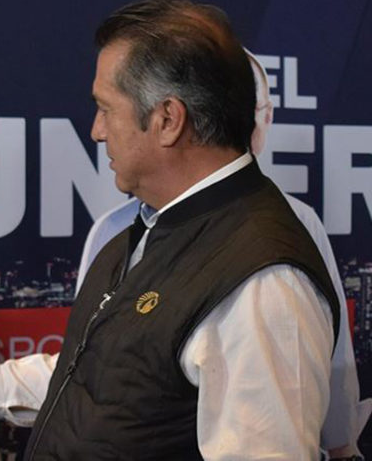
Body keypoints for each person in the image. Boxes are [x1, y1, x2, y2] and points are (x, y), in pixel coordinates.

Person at [0, 0, 341, 459]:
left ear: (168, 120)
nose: (96, 130)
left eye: (106, 109)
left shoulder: (263, 281)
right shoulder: (156, 228)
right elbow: (106, 376)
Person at [74, 49, 367, 459]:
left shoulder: (292, 228)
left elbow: (329, 359)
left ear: (266, 117)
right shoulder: (113, 232)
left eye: (250, 110)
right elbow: (88, 361)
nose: (98, 131)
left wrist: (341, 446)